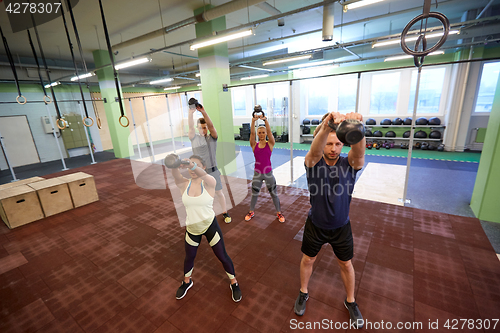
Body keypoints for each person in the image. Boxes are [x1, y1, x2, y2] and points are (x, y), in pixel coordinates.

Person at [294, 111, 366, 329]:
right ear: (323, 143)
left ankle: (350, 301)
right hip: (315, 225)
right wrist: (327, 126)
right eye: (329, 144)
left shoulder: (349, 165)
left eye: (337, 144)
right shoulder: (313, 164)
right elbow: (314, 153)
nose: (333, 148)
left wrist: (357, 127)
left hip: (341, 227)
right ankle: (303, 292)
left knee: (346, 264)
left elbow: (359, 154)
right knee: (308, 260)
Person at [171, 154, 242, 302]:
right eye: (190, 165)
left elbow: (206, 177)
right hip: (192, 229)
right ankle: (186, 281)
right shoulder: (185, 184)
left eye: (195, 165)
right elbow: (175, 175)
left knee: (222, 256)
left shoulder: (210, 183)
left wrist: (191, 165)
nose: (192, 168)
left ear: (202, 167)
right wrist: (174, 164)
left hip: (210, 226)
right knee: (189, 257)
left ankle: (234, 282)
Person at [188, 99, 231, 223]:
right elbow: (190, 127)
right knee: (199, 195)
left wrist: (203, 112)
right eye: (200, 128)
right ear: (197, 128)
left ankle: (225, 212)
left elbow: (212, 126)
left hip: (212, 171)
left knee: (218, 192)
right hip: (198, 172)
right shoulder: (193, 138)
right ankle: (203, 215)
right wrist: (191, 113)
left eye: (204, 128)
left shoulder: (212, 138)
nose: (203, 130)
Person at [245, 109, 285, 223]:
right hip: (257, 174)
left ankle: (279, 213)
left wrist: (265, 120)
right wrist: (253, 122)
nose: (261, 134)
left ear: (265, 133)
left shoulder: (270, 144)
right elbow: (251, 134)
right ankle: (251, 211)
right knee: (254, 194)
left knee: (274, 194)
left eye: (263, 132)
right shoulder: (254, 145)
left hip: (268, 173)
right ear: (258, 134)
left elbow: (270, 133)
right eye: (260, 133)